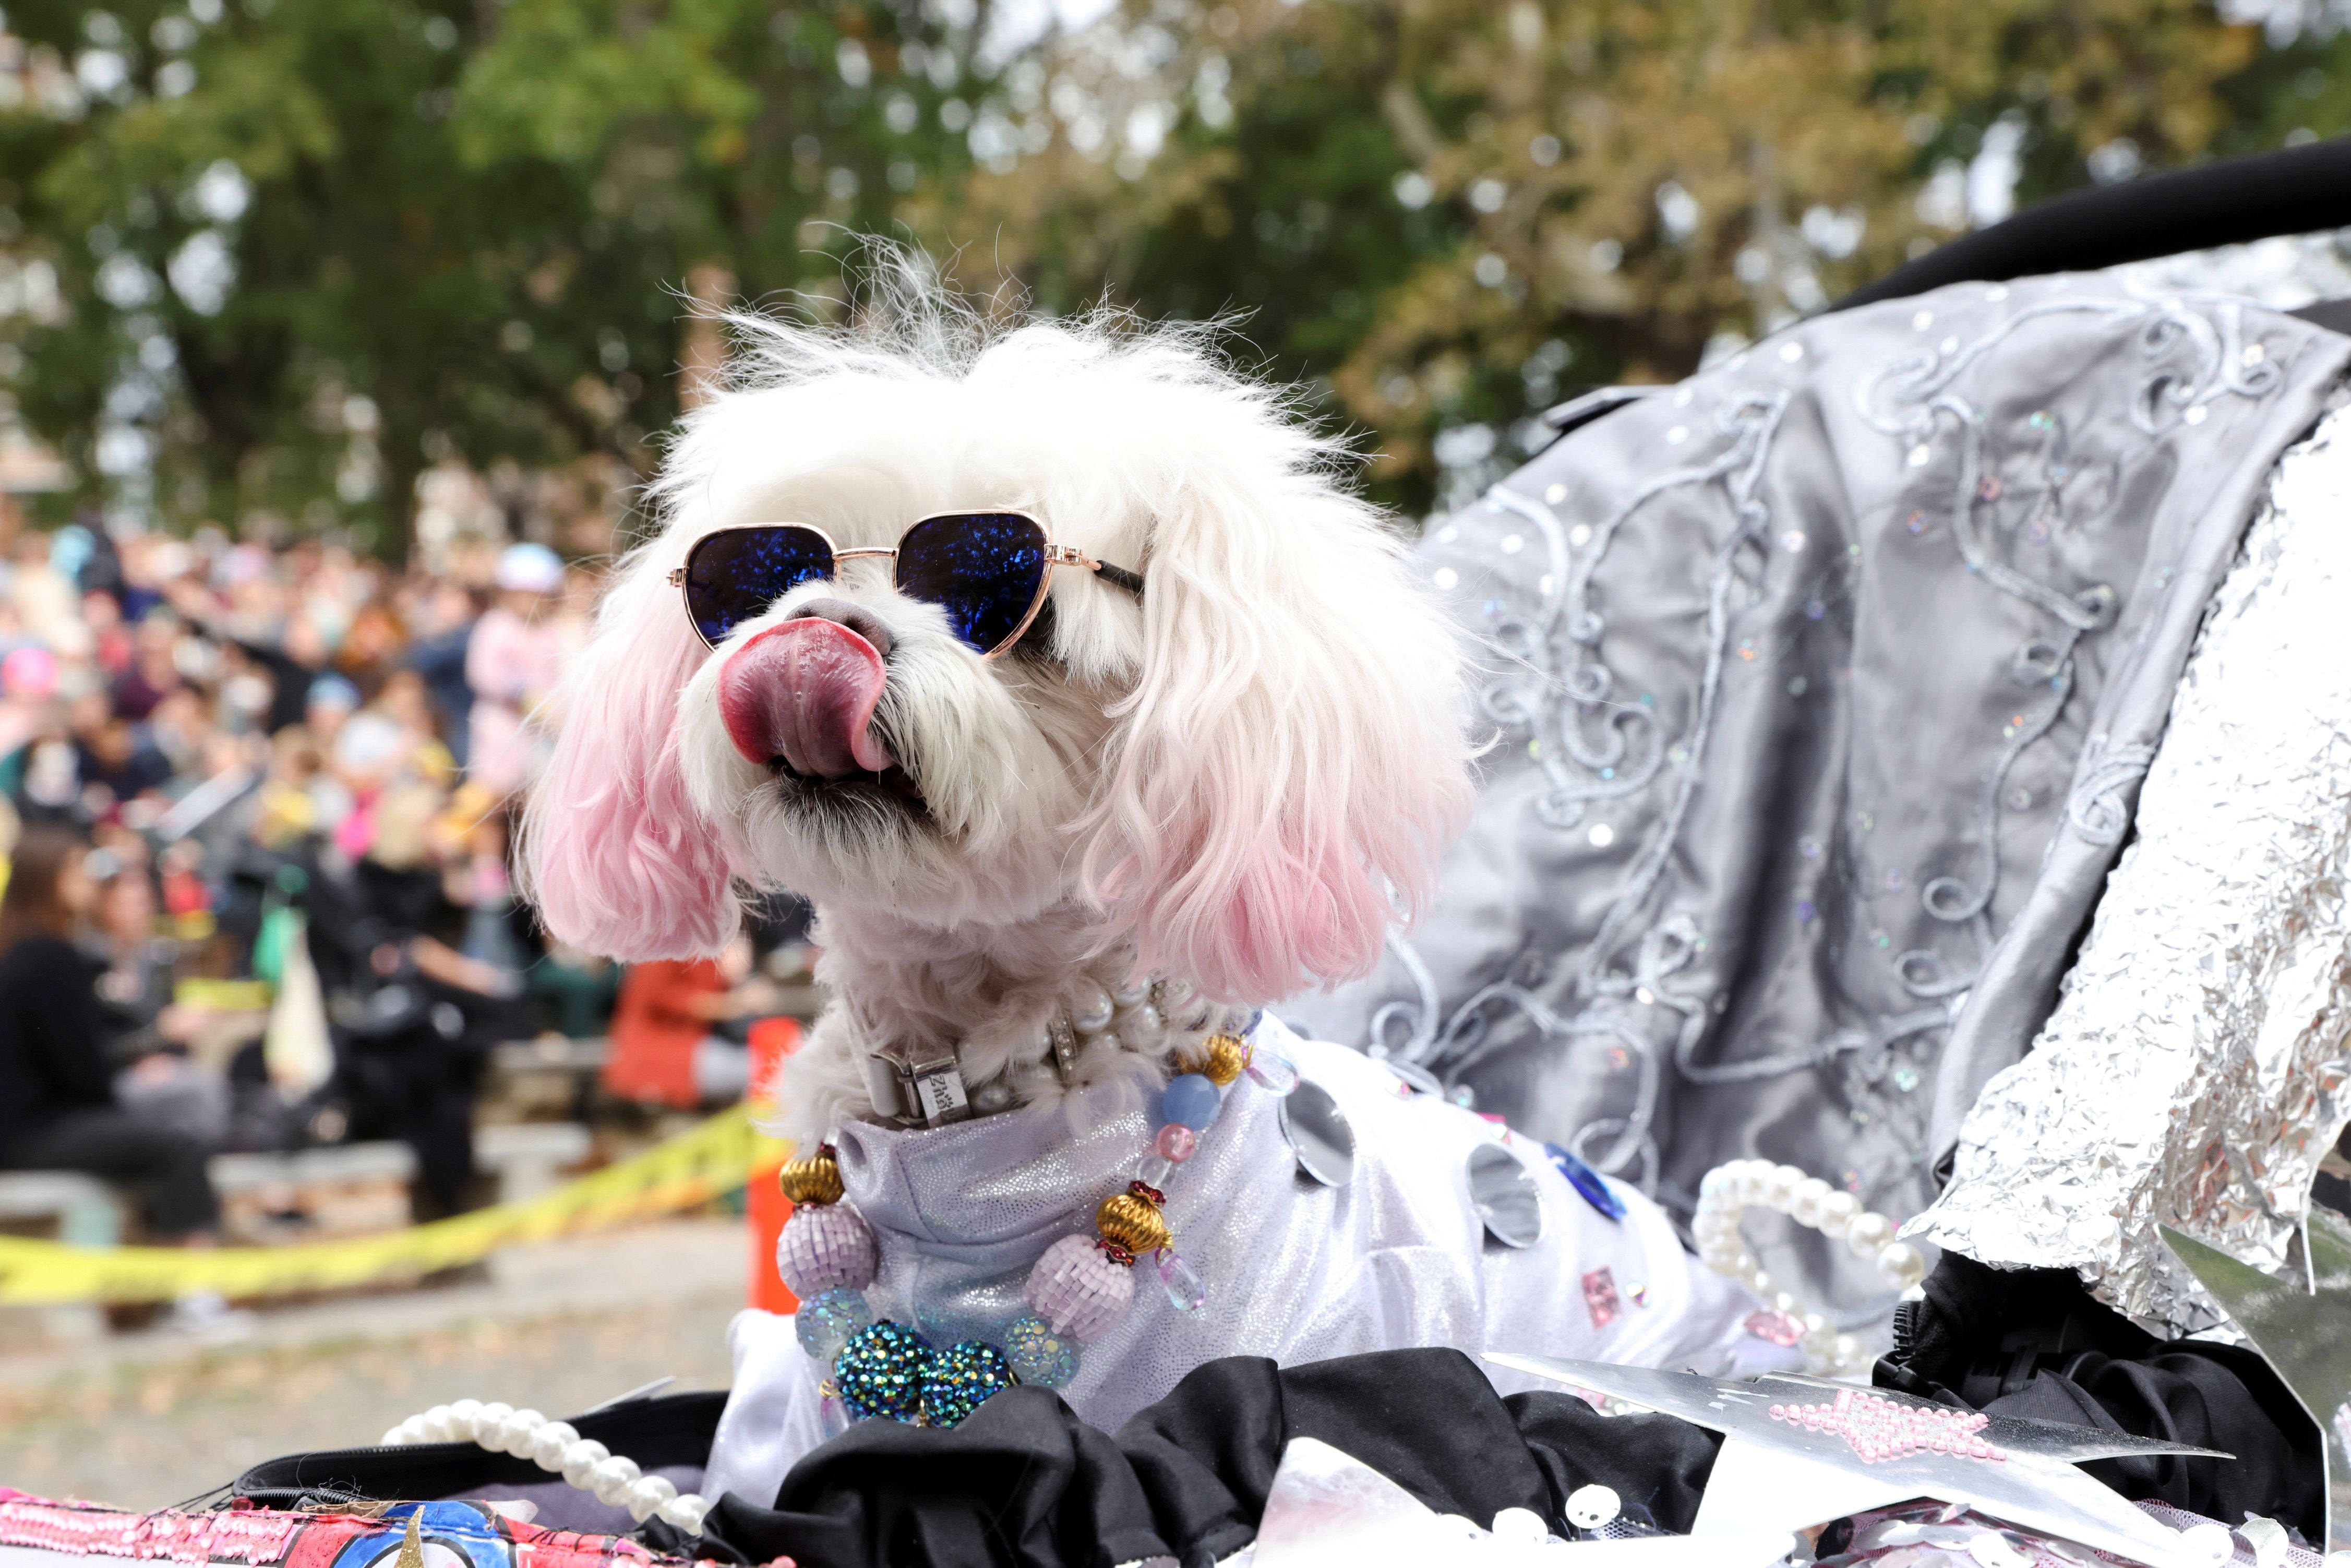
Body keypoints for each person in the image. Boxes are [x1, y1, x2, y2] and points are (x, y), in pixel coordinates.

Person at [0, 827, 220, 1239]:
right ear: (49, 881)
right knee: (177, 1146)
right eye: (78, 873)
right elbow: (83, 1070)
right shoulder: (47, 957)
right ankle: (195, 1288)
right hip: (31, 1132)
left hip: (28, 1126)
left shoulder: (24, 951)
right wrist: (145, 1052)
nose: (89, 883)